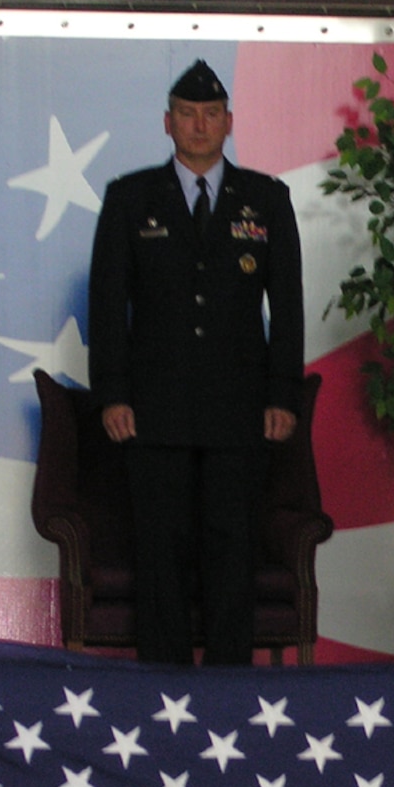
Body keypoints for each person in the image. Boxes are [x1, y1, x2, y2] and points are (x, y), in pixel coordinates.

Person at [87, 58, 304, 666]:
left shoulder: (265, 198)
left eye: (211, 114)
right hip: (153, 412)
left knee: (231, 550)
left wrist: (283, 395)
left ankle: (229, 692)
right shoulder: (130, 199)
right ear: (168, 122)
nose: (200, 125)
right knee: (161, 553)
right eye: (187, 114)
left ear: (229, 121)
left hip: (240, 414)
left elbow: (287, 306)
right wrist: (112, 394)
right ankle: (167, 693)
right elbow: (107, 305)